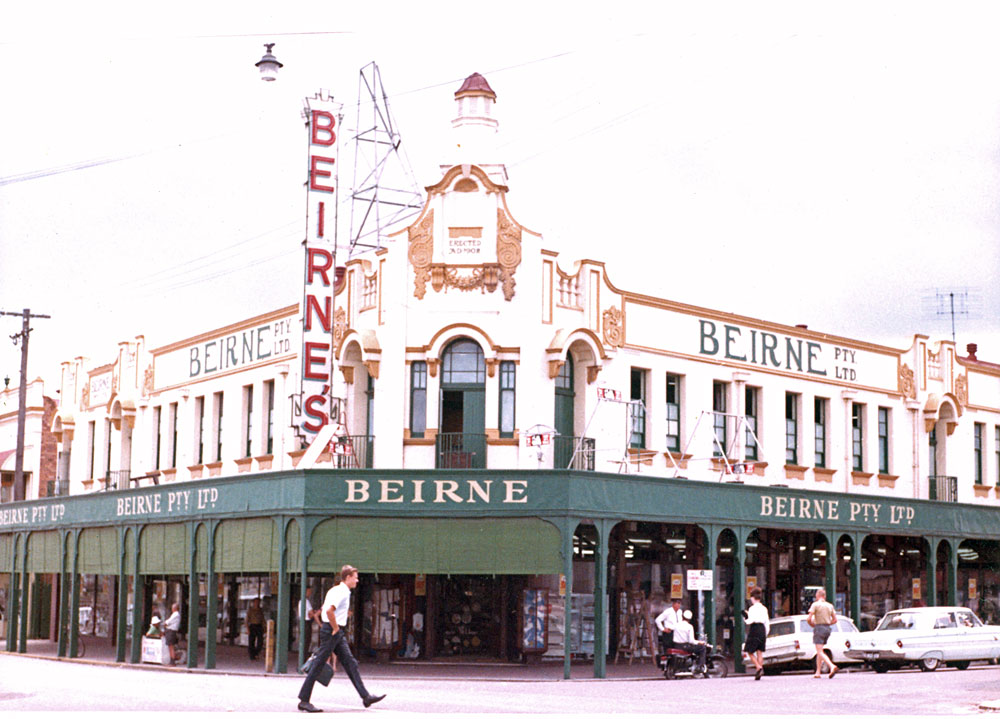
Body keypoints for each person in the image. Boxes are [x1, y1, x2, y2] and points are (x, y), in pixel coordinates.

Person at [297, 565, 385, 713]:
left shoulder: (334, 589)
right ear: (348, 577)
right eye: (355, 577)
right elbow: (330, 610)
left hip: (333, 630)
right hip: (333, 630)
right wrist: (336, 628)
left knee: (350, 663)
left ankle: (365, 697)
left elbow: (326, 608)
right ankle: (304, 700)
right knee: (318, 664)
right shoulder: (343, 592)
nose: (357, 580)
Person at [807, 588, 839, 678]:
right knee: (820, 650)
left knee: (819, 651)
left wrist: (812, 624)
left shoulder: (815, 605)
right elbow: (835, 619)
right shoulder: (830, 606)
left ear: (817, 596)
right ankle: (818, 672)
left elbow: (809, 618)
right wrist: (828, 623)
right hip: (827, 628)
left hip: (819, 627)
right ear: (824, 596)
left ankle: (831, 666)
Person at [742, 587, 769, 680]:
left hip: (754, 629)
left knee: (749, 651)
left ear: (753, 598)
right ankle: (759, 673)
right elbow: (767, 621)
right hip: (762, 629)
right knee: (759, 652)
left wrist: (745, 616)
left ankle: (758, 667)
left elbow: (750, 620)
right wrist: (766, 633)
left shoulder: (752, 608)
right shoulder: (764, 608)